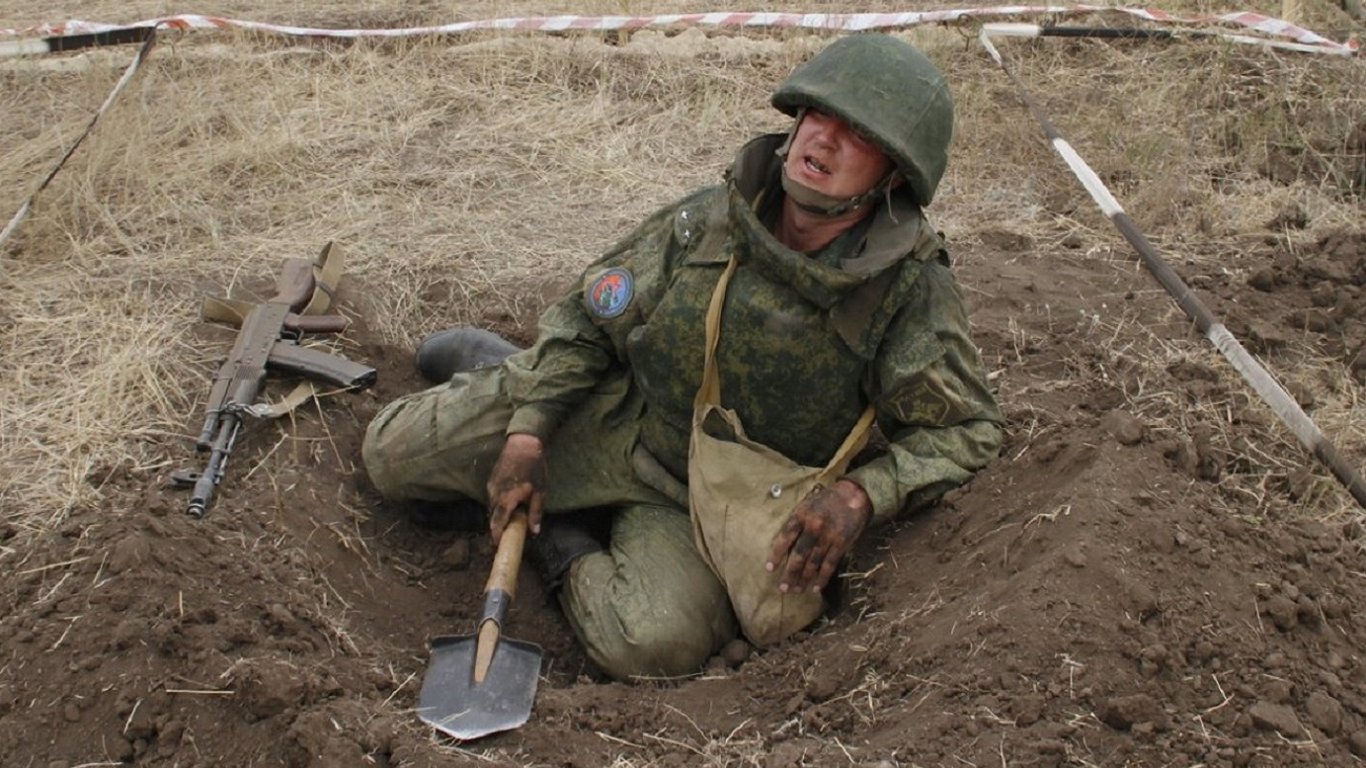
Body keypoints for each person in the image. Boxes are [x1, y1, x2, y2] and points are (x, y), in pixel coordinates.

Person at [362, 33, 1003, 681]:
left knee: (649, 643)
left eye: (857, 134)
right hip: (609, 410)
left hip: (702, 501)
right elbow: (591, 317)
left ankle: (561, 532)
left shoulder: (908, 293)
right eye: (818, 116)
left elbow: (966, 430)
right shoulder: (710, 222)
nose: (823, 140)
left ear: (894, 173)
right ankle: (497, 364)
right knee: (389, 456)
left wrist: (862, 494)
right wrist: (529, 431)